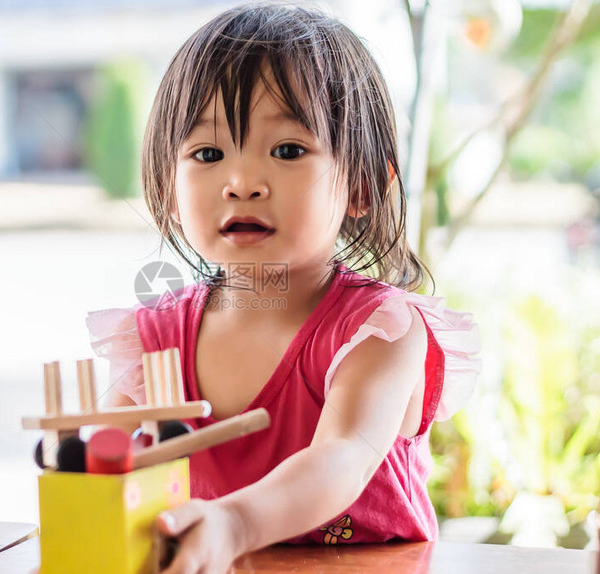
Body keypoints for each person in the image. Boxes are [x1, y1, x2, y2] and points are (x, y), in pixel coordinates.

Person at [85, 3, 482, 572]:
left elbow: (342, 456)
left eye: (288, 151)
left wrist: (236, 523)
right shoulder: (151, 342)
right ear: (170, 190)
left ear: (362, 187)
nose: (242, 182)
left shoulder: (379, 332)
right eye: (208, 154)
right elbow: (106, 468)